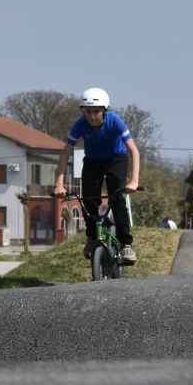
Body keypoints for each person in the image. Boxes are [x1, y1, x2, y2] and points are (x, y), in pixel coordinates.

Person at [53, 87, 141, 265]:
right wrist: (59, 184)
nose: (92, 115)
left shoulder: (114, 120)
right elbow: (65, 154)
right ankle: (92, 237)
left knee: (117, 199)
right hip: (93, 161)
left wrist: (134, 181)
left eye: (96, 111)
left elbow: (134, 151)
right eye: (88, 111)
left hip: (116, 159)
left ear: (105, 110)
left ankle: (126, 244)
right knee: (89, 201)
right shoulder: (80, 124)